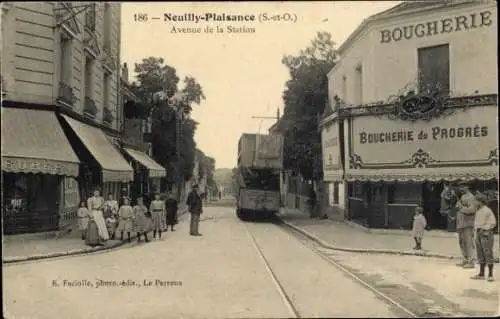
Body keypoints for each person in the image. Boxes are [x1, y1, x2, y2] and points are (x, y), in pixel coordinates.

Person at [471, 192, 497, 282]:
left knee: (488, 253)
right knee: (480, 253)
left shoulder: (487, 210)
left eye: (476, 201)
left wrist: (483, 229)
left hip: (486, 233)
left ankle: (490, 275)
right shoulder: (478, 210)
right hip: (478, 233)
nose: (474, 203)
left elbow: (493, 222)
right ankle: (481, 274)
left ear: (480, 201)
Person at [455, 182, 481, 268]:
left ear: (467, 187)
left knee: (469, 242)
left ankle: (471, 261)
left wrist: (460, 208)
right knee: (462, 242)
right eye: (460, 187)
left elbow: (472, 210)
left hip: (468, 223)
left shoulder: (470, 197)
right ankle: (465, 260)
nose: (460, 189)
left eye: (462, 187)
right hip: (462, 223)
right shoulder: (463, 196)